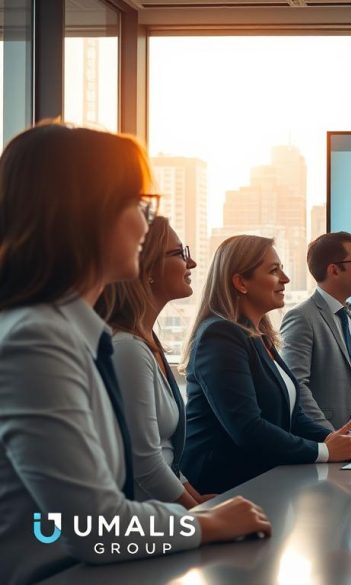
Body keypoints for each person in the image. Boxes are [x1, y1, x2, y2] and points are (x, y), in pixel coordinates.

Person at [0, 124, 269, 585]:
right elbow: (93, 527)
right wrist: (205, 523)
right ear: (85, 214)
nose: (147, 225)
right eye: (138, 205)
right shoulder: (36, 340)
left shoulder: (77, 336)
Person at [180, 235, 351, 493]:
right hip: (224, 487)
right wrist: (324, 451)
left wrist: (335, 439)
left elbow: (293, 416)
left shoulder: (260, 337)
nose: (285, 279)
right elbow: (247, 428)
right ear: (241, 282)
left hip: (261, 480)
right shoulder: (220, 335)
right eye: (273, 270)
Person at [95, 216, 213, 507]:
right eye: (180, 253)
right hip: (144, 516)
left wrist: (197, 499)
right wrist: (200, 515)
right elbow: (145, 461)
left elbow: (165, 452)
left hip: (164, 506)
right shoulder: (128, 349)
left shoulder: (148, 341)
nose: (192, 262)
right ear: (146, 269)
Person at [281, 232, 351, 449]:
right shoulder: (302, 317)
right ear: (334, 270)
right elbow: (297, 385)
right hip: (328, 438)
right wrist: (332, 436)